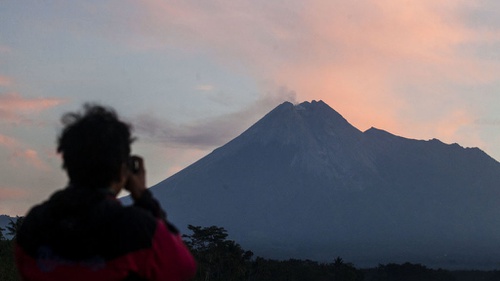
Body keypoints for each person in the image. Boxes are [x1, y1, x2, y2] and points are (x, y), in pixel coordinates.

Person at [15, 104, 196, 281]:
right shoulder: (137, 229)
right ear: (122, 170)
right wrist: (143, 197)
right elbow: (183, 268)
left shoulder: (35, 224)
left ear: (68, 164)